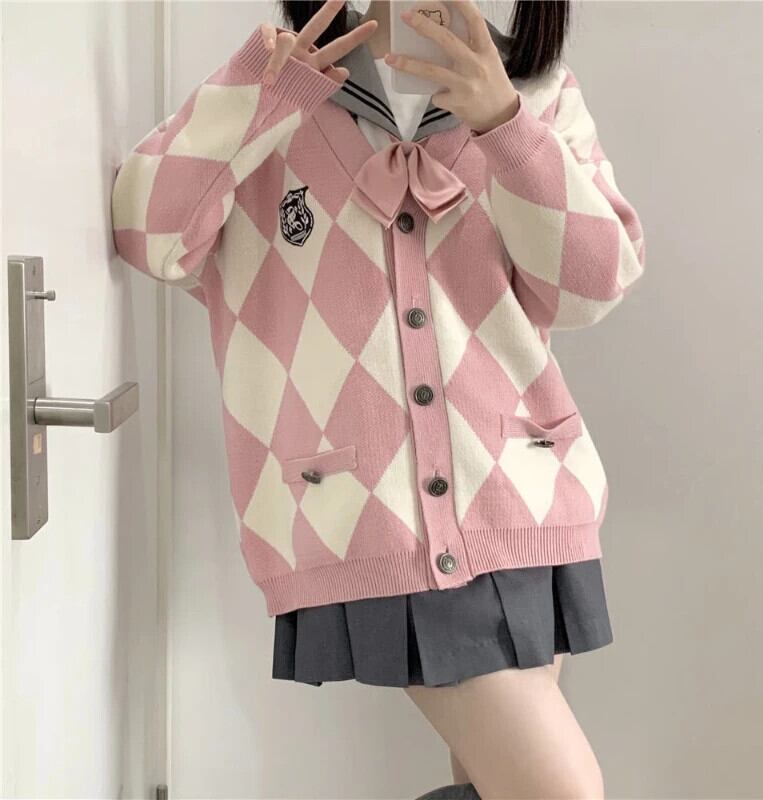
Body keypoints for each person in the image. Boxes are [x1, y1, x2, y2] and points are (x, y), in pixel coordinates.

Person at [111, 1, 646, 797]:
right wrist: (262, 90)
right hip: (369, 507)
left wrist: (505, 125)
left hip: (529, 498)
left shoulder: (535, 91)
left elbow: (594, 284)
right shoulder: (282, 92)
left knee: (499, 784)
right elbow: (148, 235)